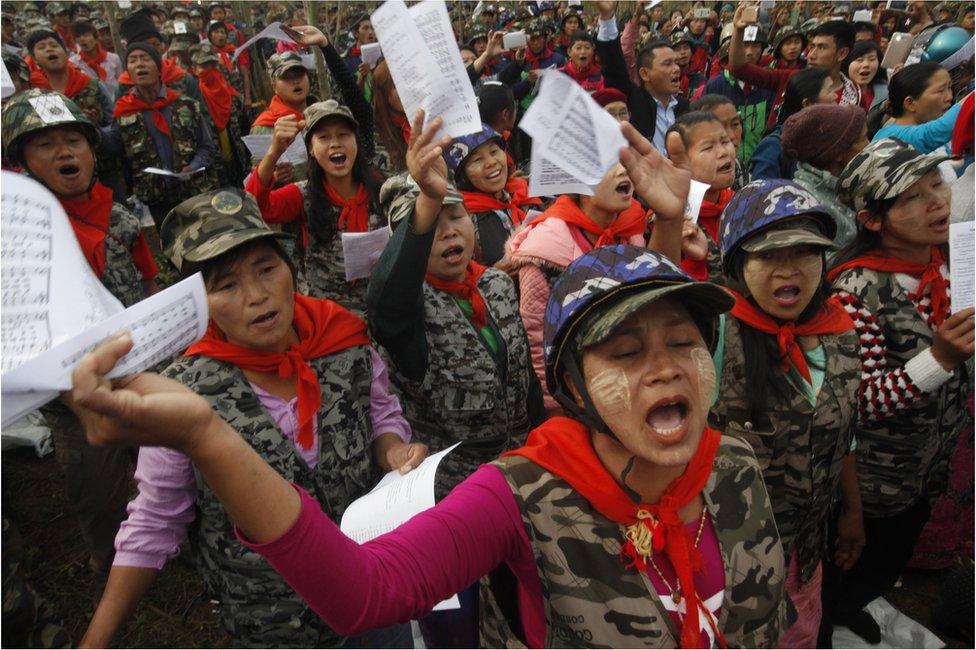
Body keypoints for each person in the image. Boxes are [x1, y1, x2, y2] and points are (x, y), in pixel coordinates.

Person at [68, 241, 795, 648]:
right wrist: (208, 436)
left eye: (682, 341)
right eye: (626, 352)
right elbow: (364, 593)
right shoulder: (520, 496)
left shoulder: (734, 464)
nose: (665, 367)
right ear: (572, 386)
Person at [77, 187, 421, 649]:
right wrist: (96, 640)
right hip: (273, 624)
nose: (257, 296)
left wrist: (394, 448)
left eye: (266, 269)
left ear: (290, 269)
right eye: (227, 284)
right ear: (199, 302)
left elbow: (381, 413)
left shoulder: (341, 342)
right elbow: (156, 520)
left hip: (375, 593)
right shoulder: (181, 395)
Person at [1, 90, 158, 583]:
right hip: (71, 400)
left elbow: (148, 283)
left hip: (138, 375)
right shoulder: (17, 238)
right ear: (21, 161)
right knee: (99, 490)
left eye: (74, 140)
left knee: (162, 467)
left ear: (93, 152)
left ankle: (168, 542)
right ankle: (114, 568)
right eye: (45, 144)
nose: (65, 152)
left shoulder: (123, 220)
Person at [823, 138, 973, 643]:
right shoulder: (854, 292)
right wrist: (941, 359)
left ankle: (855, 603)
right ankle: (833, 617)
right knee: (857, 562)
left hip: (926, 468)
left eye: (936, 185)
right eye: (912, 197)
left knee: (889, 561)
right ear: (872, 220)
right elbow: (858, 402)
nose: (936, 201)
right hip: (875, 482)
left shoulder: (947, 265)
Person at [713, 180, 862, 647]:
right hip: (729, 555)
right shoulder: (714, 334)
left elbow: (847, 436)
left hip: (805, 549)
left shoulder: (839, 332)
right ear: (738, 262)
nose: (790, 271)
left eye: (806, 253)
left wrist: (852, 511)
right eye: (770, 256)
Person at [108, 41, 216, 226]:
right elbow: (116, 152)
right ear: (128, 72)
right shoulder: (124, 112)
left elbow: (207, 146)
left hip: (194, 191)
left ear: (159, 69)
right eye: (133, 60)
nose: (139, 64)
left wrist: (193, 167)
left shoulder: (187, 105)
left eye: (145, 59)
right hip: (157, 198)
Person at [729, 6, 860, 121]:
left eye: (821, 48)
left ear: (842, 53)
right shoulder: (791, 78)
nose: (811, 55)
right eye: (812, 46)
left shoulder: (855, 95)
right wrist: (738, 30)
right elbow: (739, 69)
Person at [444, 125, 539, 266]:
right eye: (477, 160)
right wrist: (493, 275)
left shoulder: (523, 193)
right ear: (462, 176)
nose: (491, 162)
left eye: (494, 151)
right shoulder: (462, 218)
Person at [781, 104, 871, 249]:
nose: (870, 145)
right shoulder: (808, 207)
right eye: (864, 139)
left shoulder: (852, 185)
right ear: (838, 153)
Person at [667, 111, 736, 284]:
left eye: (725, 141)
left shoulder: (742, 204)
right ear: (679, 162)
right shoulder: (668, 222)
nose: (723, 152)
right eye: (708, 147)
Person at [699, 25, 776, 162]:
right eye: (744, 45)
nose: (749, 52)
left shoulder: (769, 85)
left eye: (756, 46)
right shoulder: (716, 86)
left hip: (759, 164)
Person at [750, 67, 834, 182]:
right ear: (808, 103)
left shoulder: (830, 140)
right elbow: (761, 195)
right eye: (829, 91)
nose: (835, 96)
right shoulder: (773, 147)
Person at [873, 62, 972, 153]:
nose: (949, 97)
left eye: (949, 87)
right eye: (941, 91)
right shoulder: (890, 136)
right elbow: (941, 129)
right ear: (910, 103)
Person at [250, 51, 314, 184]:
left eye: (300, 75)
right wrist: (274, 177)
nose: (296, 81)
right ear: (274, 86)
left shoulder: (324, 113)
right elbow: (256, 179)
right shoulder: (264, 127)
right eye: (287, 77)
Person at [191, 45, 249, 188]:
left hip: (240, 166)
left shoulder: (232, 95)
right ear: (194, 69)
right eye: (204, 66)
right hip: (217, 174)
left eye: (212, 64)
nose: (210, 69)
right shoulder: (193, 100)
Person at [26, 29, 108, 126]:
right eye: (41, 47)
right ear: (35, 59)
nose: (49, 49)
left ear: (66, 52)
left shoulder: (93, 85)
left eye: (54, 45)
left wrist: (93, 124)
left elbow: (112, 126)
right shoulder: (34, 92)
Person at [690, 94, 748, 189]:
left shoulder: (740, 168)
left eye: (735, 124)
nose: (731, 136)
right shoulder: (687, 179)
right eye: (720, 127)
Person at [70, 19, 122, 93]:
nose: (82, 39)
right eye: (78, 36)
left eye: (86, 35)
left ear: (96, 38)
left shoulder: (113, 58)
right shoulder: (74, 63)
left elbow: (121, 84)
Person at [844, 40, 888, 114]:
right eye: (859, 60)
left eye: (872, 59)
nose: (866, 64)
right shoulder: (834, 95)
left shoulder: (886, 93)